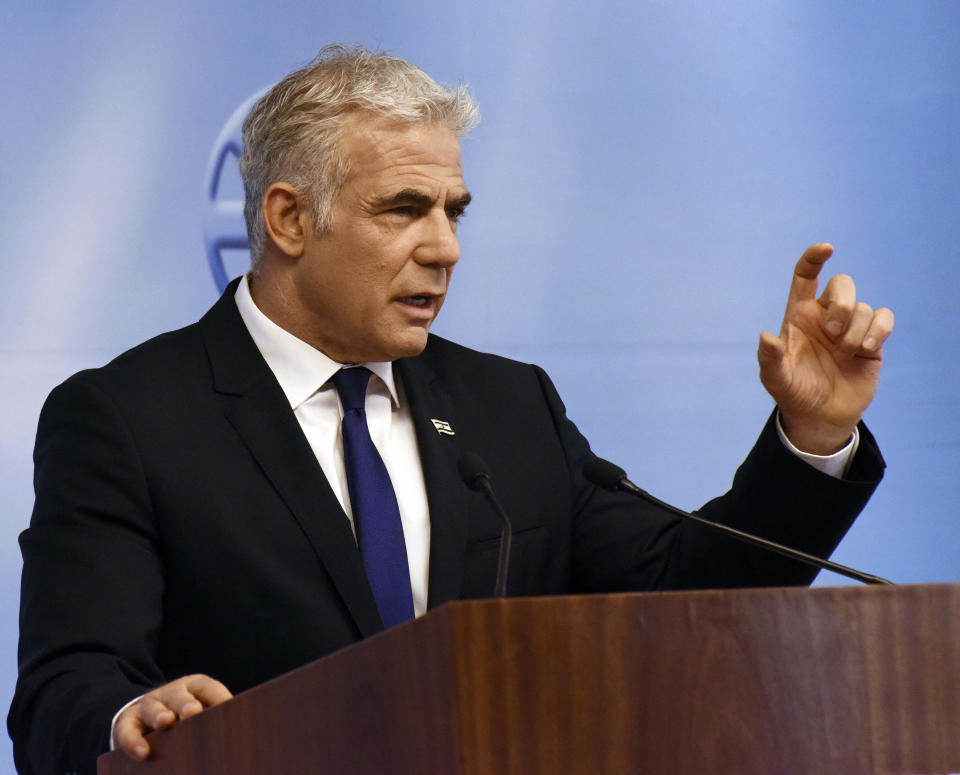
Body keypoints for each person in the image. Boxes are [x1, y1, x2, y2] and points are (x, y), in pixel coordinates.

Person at [8, 45, 893, 775]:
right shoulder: (126, 418)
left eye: (454, 211)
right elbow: (64, 687)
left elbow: (682, 601)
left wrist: (811, 436)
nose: (446, 247)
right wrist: (131, 715)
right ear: (287, 219)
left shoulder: (509, 407)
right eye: (404, 210)